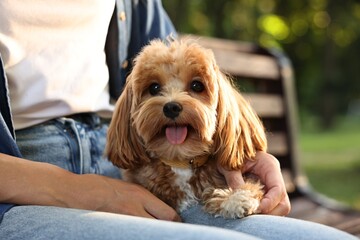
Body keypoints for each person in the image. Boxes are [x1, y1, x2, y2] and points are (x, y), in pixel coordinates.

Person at [0, 1, 356, 239]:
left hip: (140, 178)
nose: (170, 101)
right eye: (155, 89)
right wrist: (80, 190)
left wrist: (242, 153)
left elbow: (171, 54)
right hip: (23, 189)